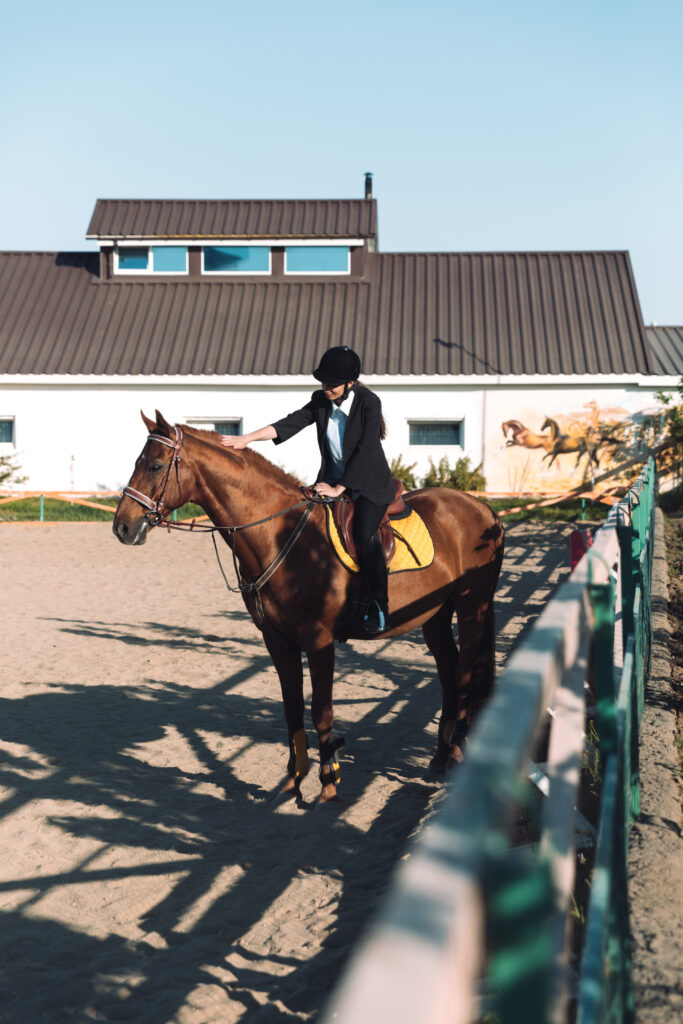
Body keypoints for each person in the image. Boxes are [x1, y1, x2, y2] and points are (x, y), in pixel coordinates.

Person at [220, 345, 394, 633]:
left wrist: (340, 488)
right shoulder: (320, 400)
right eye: (323, 382)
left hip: (369, 485)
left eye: (333, 383)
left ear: (350, 383)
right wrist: (247, 438)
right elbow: (289, 424)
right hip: (330, 483)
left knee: (364, 534)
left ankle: (379, 607)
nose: (326, 387)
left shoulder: (369, 403)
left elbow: (366, 451)